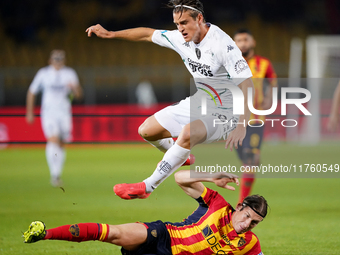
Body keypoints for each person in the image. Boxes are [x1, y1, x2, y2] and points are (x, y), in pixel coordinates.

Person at [86, 0, 254, 200]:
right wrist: (111, 34)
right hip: (201, 100)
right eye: (176, 24)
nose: (180, 29)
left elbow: (247, 84)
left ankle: (148, 186)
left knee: (188, 133)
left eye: (184, 22)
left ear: (199, 18)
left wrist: (242, 124)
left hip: (228, 111)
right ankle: (179, 156)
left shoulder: (222, 44)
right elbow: (148, 34)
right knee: (146, 130)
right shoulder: (180, 38)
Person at [23, 170, 268, 255]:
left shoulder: (249, 245)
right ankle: (45, 234)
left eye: (254, 223)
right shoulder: (217, 204)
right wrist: (210, 177)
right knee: (114, 233)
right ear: (239, 207)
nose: (247, 224)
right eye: (247, 216)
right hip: (163, 235)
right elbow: (180, 178)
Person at [26, 50, 83, 187]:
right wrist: (29, 112)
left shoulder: (69, 73)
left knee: (62, 142)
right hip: (49, 112)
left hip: (64, 113)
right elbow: (32, 92)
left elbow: (79, 95)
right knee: (53, 139)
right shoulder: (43, 73)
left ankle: (57, 173)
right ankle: (54, 174)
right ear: (50, 60)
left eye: (60, 58)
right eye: (55, 58)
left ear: (64, 60)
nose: (58, 61)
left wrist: (74, 89)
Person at [233, 29, 277, 204]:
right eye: (238, 40)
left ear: (253, 42)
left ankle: (241, 203)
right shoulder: (229, 63)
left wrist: (269, 97)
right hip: (234, 121)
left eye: (245, 39)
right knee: (246, 160)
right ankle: (252, 158)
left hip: (256, 119)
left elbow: (273, 82)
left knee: (249, 160)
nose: (242, 43)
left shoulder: (263, 63)